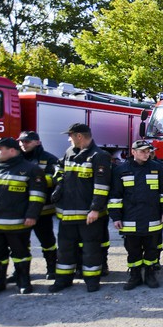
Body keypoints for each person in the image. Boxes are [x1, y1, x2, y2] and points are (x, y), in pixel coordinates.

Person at [49, 123, 112, 293]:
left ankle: (91, 280)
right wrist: (59, 186)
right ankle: (63, 279)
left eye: (70, 136)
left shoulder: (99, 156)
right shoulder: (69, 153)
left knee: (91, 249)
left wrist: (95, 209)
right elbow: (59, 170)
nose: (68, 139)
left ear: (79, 136)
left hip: (89, 214)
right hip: (67, 213)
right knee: (65, 248)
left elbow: (102, 186)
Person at [108, 140, 163, 290]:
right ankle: (135, 275)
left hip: (152, 216)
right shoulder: (121, 170)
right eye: (142, 151)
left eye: (148, 151)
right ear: (133, 152)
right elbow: (115, 195)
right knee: (132, 249)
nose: (146, 154)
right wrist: (116, 216)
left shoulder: (158, 168)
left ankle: (150, 274)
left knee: (151, 248)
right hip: (130, 218)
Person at [0, 137, 46, 296]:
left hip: (17, 223)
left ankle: (23, 280)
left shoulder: (31, 170)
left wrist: (32, 215)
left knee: (20, 253)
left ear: (12, 150)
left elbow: (37, 196)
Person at [17, 131, 59, 280]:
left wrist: (35, 181)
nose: (23, 144)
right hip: (21, 210)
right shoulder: (16, 159)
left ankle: (52, 267)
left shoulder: (49, 159)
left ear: (37, 142)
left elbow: (56, 180)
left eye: (27, 141)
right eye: (21, 141)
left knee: (47, 241)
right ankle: (20, 272)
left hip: (43, 210)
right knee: (21, 243)